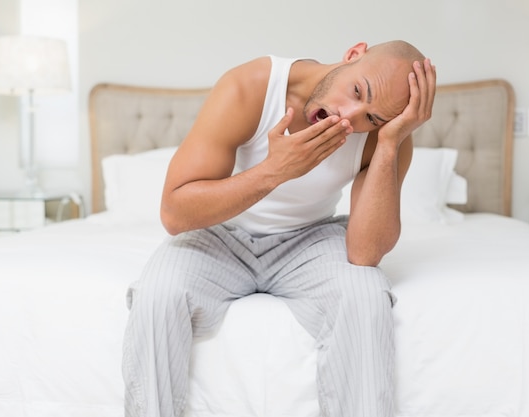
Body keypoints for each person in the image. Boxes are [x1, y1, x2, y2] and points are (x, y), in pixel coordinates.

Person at [123, 40, 436, 417]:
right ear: (353, 54)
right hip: (218, 233)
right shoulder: (253, 86)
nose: (348, 118)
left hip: (310, 239)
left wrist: (388, 142)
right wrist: (275, 171)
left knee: (365, 294)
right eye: (357, 92)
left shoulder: (384, 136)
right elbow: (174, 213)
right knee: (158, 293)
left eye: (371, 118)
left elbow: (365, 252)